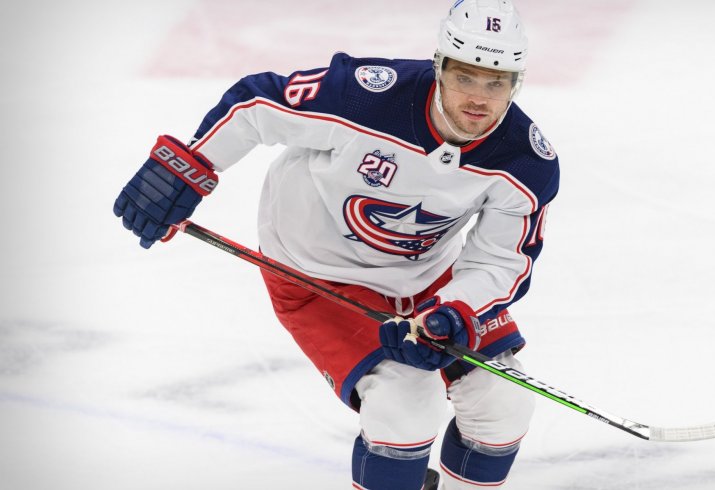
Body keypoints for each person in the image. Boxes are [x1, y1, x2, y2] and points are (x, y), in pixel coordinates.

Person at [113, 0, 559, 488]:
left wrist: (453, 311)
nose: (478, 98)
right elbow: (257, 104)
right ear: (438, 66)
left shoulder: (525, 161)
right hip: (316, 274)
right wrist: (193, 165)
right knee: (404, 406)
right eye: (464, 77)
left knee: (504, 406)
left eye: (496, 82)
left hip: (429, 277)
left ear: (517, 82)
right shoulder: (365, 96)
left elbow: (499, 261)